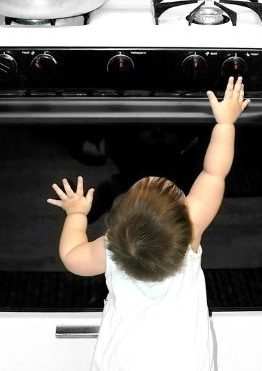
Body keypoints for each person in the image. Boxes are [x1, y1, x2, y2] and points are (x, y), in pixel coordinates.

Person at [46, 76, 250, 371]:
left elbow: (72, 256)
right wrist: (225, 123)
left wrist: (76, 214)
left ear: (112, 226)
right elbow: (214, 173)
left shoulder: (111, 247)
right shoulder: (190, 231)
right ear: (185, 213)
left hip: (123, 360)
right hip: (185, 361)